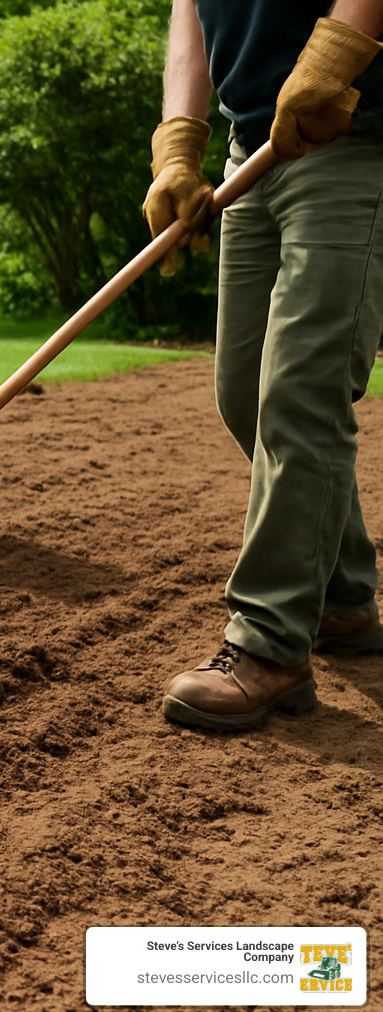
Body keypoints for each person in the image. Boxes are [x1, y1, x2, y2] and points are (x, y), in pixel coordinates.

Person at [148, 0, 383, 731]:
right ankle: (343, 600)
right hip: (253, 148)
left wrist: (339, 50)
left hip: (352, 133)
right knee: (244, 393)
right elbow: (193, 9)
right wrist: (178, 144)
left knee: (302, 393)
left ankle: (269, 644)